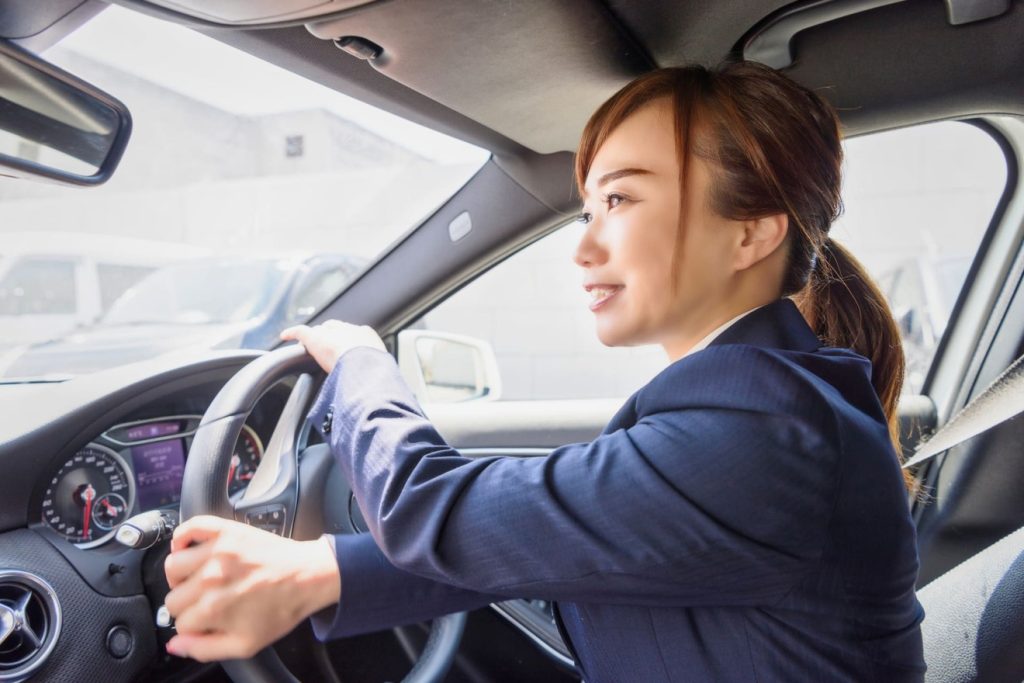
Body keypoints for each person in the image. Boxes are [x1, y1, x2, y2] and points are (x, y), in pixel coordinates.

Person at [162, 62, 926, 681]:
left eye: (620, 198)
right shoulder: (765, 404)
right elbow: (578, 531)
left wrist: (361, 363)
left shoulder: (763, 434)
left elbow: (429, 508)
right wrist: (318, 573)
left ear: (750, 233)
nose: (582, 248)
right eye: (588, 208)